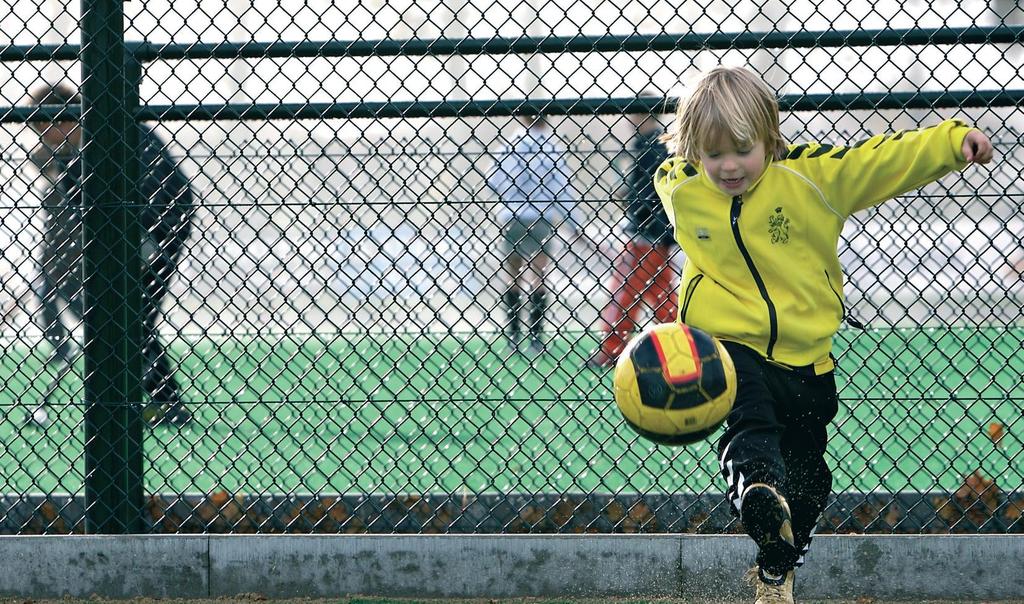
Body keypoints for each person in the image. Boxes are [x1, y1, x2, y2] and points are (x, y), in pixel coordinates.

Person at [654, 66, 993, 603]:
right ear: (693, 150)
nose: (727, 167)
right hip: (727, 347)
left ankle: (775, 567)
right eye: (712, 154)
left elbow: (881, 161)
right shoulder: (683, 187)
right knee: (750, 424)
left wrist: (952, 143)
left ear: (770, 138)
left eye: (742, 149)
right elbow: (679, 180)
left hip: (808, 361)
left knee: (812, 483)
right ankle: (757, 487)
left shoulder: (813, 179)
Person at [24, 82, 196, 428]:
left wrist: (141, 242)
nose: (46, 139)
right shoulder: (75, 158)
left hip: (154, 230)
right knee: (130, 320)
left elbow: (163, 189)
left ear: (65, 120)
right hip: (128, 237)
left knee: (133, 319)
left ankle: (165, 404)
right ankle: (162, 403)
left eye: (47, 130)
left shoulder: (117, 131)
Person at [486, 113, 590, 355]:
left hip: (511, 215)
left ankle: (513, 336)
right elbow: (562, 189)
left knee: (512, 275)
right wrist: (574, 225)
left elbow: (492, 180)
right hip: (541, 214)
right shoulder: (551, 148)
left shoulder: (510, 145)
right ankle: (535, 339)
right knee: (538, 275)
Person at [587, 99, 678, 368]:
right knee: (661, 294)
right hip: (658, 233)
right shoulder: (659, 144)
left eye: (631, 114)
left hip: (645, 232)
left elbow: (649, 193)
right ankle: (676, 342)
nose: (627, 120)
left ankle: (612, 348)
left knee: (625, 289)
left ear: (641, 115)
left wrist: (633, 203)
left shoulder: (650, 146)